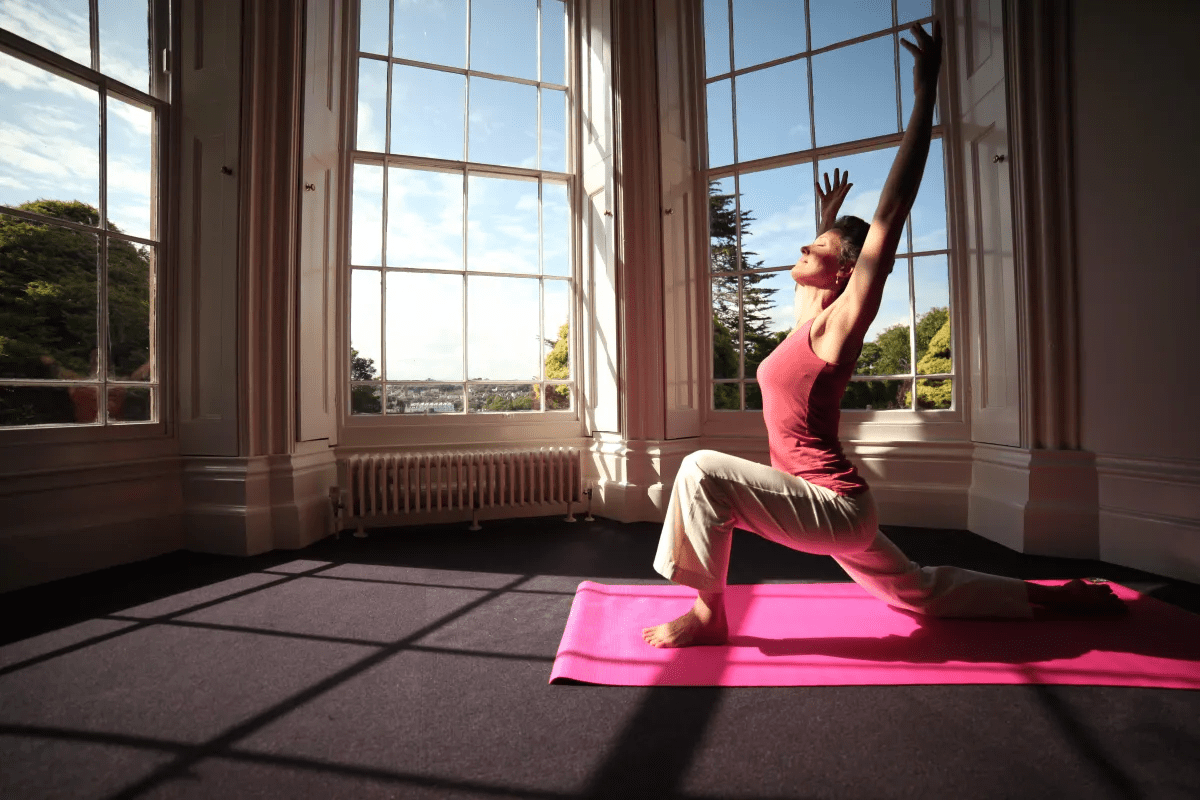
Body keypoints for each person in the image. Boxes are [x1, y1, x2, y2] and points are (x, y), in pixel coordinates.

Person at [643, 21, 1124, 649]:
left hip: (832, 506)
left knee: (701, 471)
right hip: (829, 504)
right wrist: (826, 221)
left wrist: (925, 98)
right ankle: (1055, 600)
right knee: (919, 591)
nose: (801, 246)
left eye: (813, 244)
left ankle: (709, 614)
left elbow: (889, 217)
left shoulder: (838, 327)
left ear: (845, 268)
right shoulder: (807, 326)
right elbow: (818, 279)